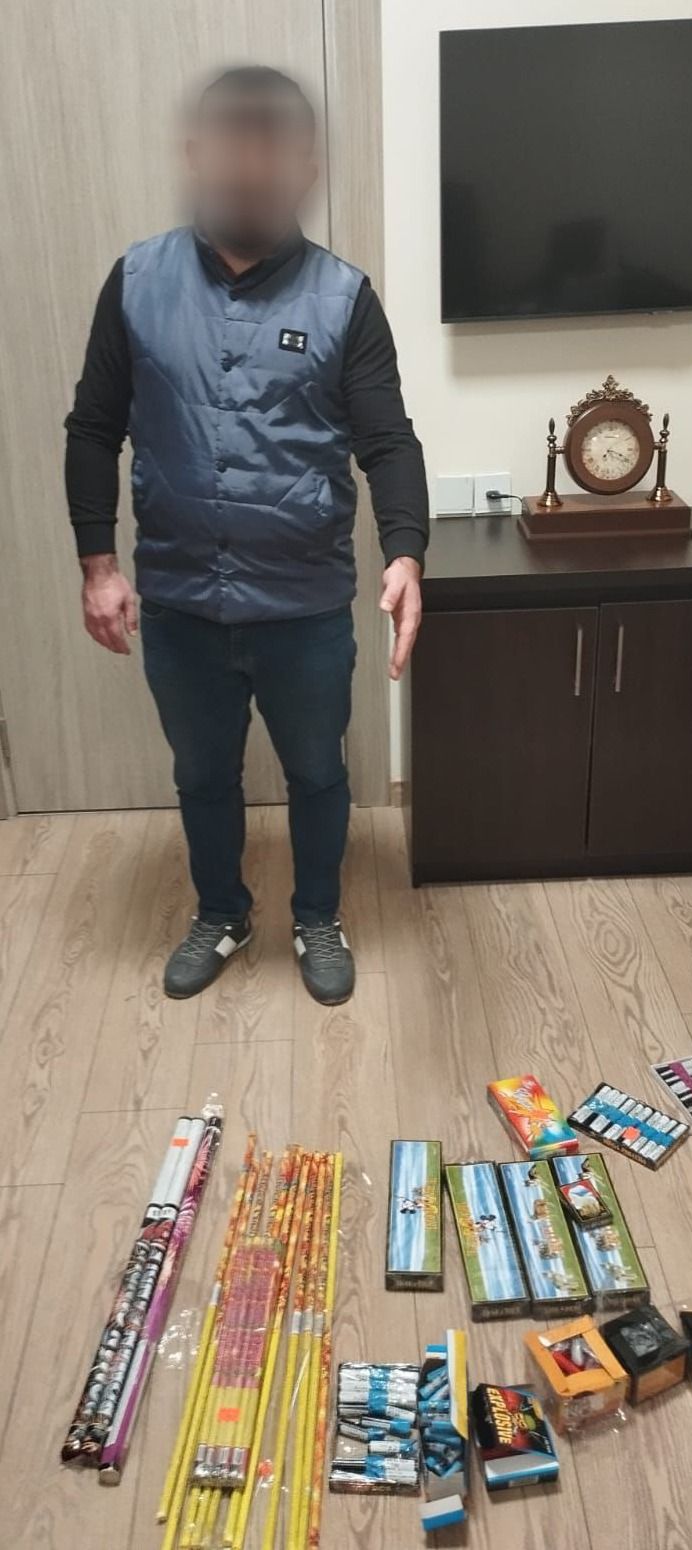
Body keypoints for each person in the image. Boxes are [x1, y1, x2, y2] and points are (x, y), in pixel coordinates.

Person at [65, 66, 428, 1007]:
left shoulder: (344, 298)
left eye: (276, 154)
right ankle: (220, 911)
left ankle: (317, 915)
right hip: (181, 598)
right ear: (199, 156)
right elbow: (93, 427)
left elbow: (388, 440)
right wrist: (97, 563)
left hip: (304, 605)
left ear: (305, 168)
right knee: (201, 773)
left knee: (317, 771)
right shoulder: (136, 282)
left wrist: (405, 552)